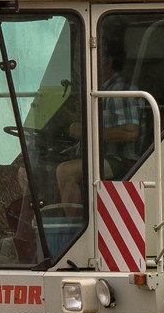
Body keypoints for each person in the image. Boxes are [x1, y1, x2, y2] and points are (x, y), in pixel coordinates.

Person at [55, 32, 144, 205]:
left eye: (84, 58)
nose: (79, 65)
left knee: (65, 171)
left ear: (107, 62)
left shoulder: (119, 90)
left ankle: (73, 226)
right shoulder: (99, 89)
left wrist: (84, 130)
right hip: (101, 157)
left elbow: (130, 132)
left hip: (122, 160)